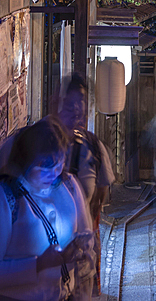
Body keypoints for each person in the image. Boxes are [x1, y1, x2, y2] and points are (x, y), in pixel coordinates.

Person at [0, 116, 95, 301]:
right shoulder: (2, 197)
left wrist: (83, 247)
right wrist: (38, 265)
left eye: (59, 162)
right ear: (25, 161)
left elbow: (85, 231)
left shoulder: (68, 186)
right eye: (44, 165)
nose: (53, 172)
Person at [58, 76, 116, 296]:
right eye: (70, 101)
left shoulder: (94, 147)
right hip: (49, 256)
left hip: (82, 255)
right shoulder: (43, 142)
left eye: (81, 101)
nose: (75, 108)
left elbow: (98, 200)